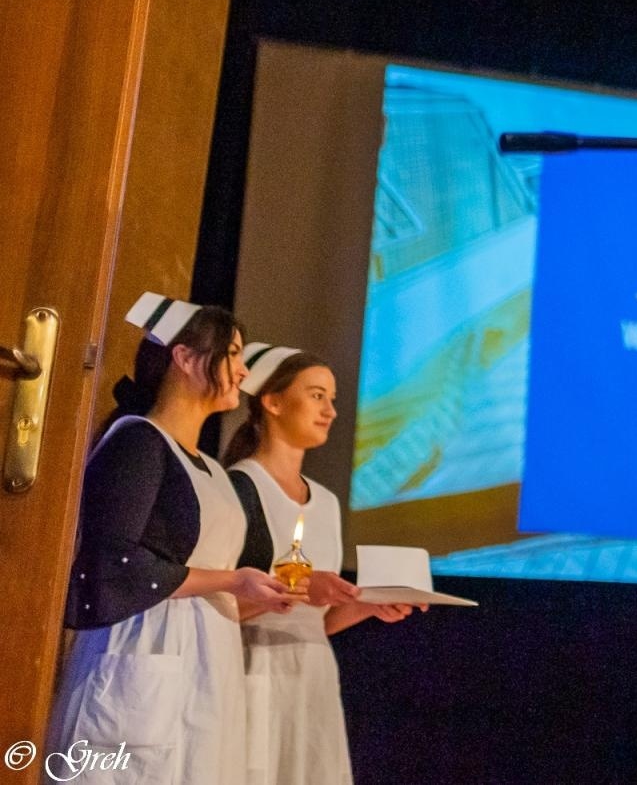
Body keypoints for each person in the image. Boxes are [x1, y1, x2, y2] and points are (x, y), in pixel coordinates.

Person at [49, 293, 305, 784]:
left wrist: (262, 595)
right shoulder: (137, 442)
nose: (243, 371)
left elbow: (218, 588)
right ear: (184, 358)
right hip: (145, 648)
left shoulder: (214, 470)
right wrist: (231, 580)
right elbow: (112, 564)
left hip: (209, 662)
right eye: (232, 354)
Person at [224, 345, 420, 785]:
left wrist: (368, 604)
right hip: (255, 672)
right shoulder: (240, 487)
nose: (330, 411)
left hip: (313, 681)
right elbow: (214, 604)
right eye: (316, 396)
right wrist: (294, 588)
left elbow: (318, 622)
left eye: (331, 399)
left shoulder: (326, 503)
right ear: (272, 402)